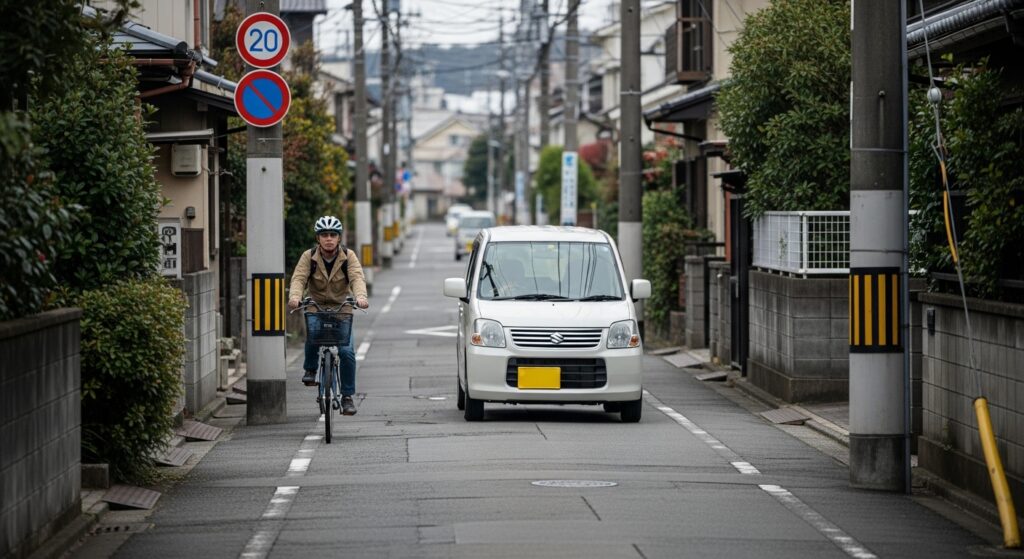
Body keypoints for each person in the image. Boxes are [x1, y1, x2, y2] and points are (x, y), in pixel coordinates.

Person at [288, 215, 369, 416]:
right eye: (324, 235)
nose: (329, 239)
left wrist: (360, 297)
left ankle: (347, 397)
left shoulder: (348, 257)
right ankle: (310, 369)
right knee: (314, 335)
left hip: (342, 308)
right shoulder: (309, 257)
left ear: (339, 238)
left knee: (346, 352)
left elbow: (357, 278)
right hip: (316, 305)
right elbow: (298, 278)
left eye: (333, 234)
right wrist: (295, 297)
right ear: (318, 238)